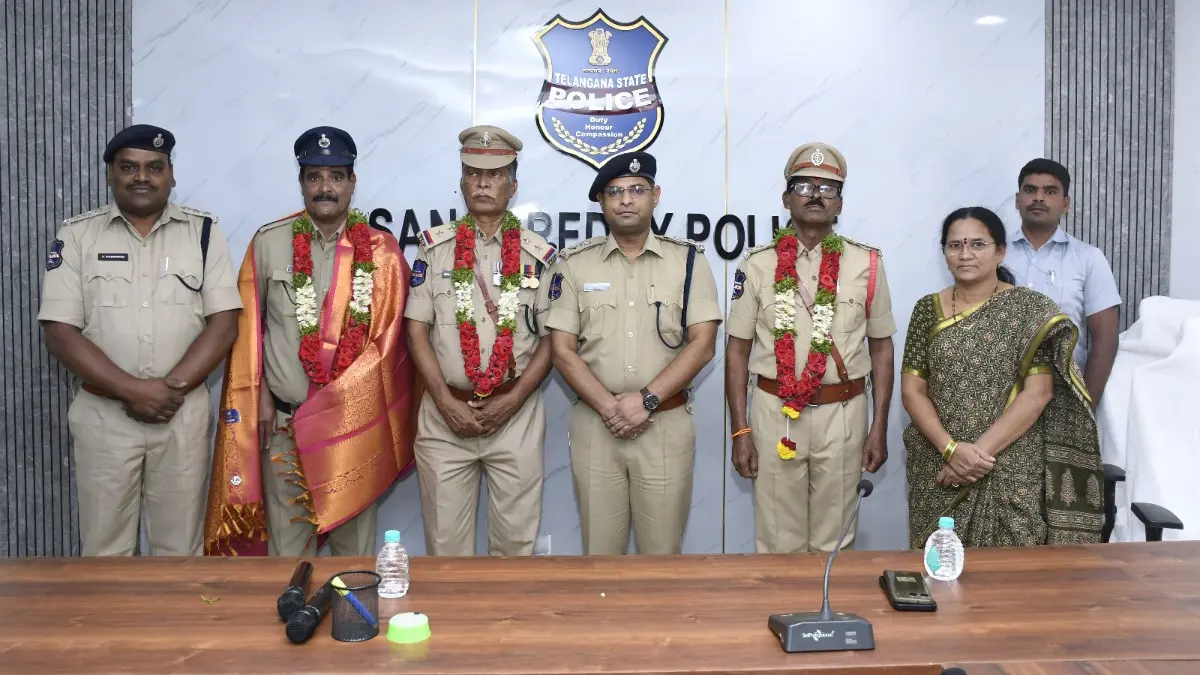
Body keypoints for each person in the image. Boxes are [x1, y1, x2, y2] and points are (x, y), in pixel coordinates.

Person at [203, 126, 417, 556]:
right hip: (285, 427)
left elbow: (393, 345)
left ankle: (350, 606)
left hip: (352, 432)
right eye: (314, 176)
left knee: (353, 555)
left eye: (336, 176)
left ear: (352, 182)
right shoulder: (269, 243)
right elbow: (250, 332)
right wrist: (260, 397)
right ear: (301, 182)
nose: (325, 187)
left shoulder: (382, 252)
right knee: (288, 551)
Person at [38, 124, 242, 556]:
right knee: (104, 550)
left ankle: (173, 610)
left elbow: (224, 321)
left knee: (180, 551)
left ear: (171, 174)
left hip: (180, 415)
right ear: (110, 174)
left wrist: (169, 390)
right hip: (104, 416)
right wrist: (132, 390)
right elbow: (59, 331)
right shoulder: (77, 236)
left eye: (154, 167)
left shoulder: (203, 232)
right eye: (129, 167)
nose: (142, 177)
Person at [546, 150, 721, 555]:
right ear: (601, 201)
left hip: (665, 425)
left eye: (637, 190)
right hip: (596, 425)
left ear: (655, 196)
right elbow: (561, 350)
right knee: (600, 555)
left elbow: (703, 344)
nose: (626, 200)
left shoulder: (688, 261)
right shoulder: (574, 264)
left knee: (662, 555)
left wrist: (646, 401)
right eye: (615, 192)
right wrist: (611, 408)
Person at [725, 142, 896, 554]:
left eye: (828, 188)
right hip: (775, 413)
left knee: (834, 541)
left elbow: (882, 350)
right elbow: (736, 352)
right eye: (804, 186)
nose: (816, 195)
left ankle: (828, 600)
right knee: (778, 540)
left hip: (844, 414)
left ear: (840, 204)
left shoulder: (867, 264)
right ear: (786, 199)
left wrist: (879, 426)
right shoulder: (757, 264)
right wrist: (741, 430)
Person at [901, 206, 1104, 548]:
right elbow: (912, 391)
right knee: (939, 563)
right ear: (945, 254)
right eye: (955, 245)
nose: (965, 254)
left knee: (1012, 570)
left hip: (1008, 461)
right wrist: (951, 450)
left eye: (977, 244)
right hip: (938, 459)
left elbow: (1038, 393)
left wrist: (975, 456)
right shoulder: (926, 309)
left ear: (1000, 252)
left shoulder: (1029, 310)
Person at [404, 125, 557, 557]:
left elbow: (553, 340)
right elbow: (416, 329)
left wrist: (514, 400)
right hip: (444, 416)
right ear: (461, 182)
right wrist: (443, 400)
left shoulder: (538, 255)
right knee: (445, 549)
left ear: (513, 186)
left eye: (494, 175)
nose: (483, 183)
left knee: (515, 549)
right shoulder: (434, 249)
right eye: (473, 174)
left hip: (516, 416)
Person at [1006, 158, 1121, 407]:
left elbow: (1106, 340)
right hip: (999, 397)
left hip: (1063, 397)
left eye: (1050, 191)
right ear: (1017, 200)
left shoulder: (1088, 258)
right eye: (1030, 190)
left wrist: (1085, 406)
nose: (1038, 198)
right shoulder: (994, 254)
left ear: (1065, 204)